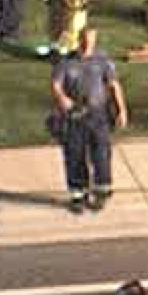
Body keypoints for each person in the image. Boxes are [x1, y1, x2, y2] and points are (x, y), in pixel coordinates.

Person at [51, 25, 128, 213]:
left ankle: (102, 190)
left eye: (91, 40)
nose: (87, 44)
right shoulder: (66, 62)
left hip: (98, 114)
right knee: (75, 154)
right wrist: (62, 99)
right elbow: (56, 84)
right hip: (75, 116)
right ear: (79, 39)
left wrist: (121, 110)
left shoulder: (102, 61)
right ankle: (78, 194)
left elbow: (113, 85)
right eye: (84, 40)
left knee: (101, 152)